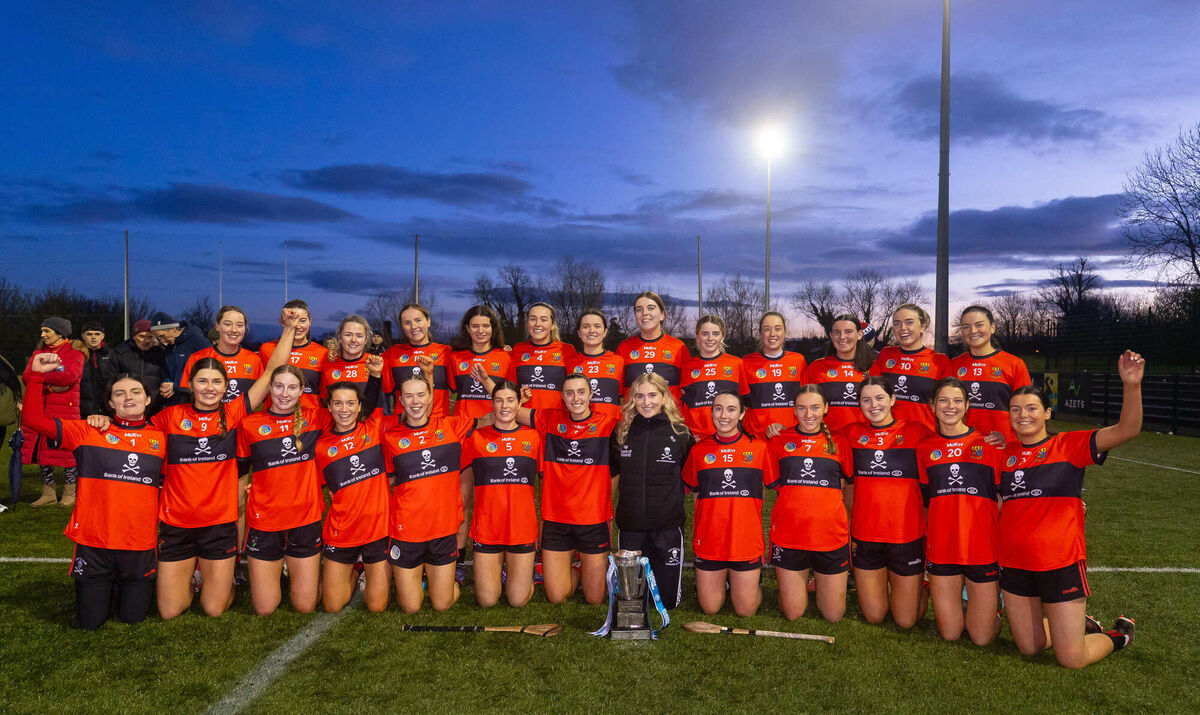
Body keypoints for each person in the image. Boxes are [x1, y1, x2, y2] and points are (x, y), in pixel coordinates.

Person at [147, 314, 299, 619]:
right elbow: (134, 434)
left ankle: (223, 580)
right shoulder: (169, 418)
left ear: (225, 386)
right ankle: (191, 577)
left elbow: (271, 372)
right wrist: (104, 420)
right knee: (169, 611)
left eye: (216, 382)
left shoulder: (233, 413)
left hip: (218, 521)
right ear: (189, 384)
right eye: (202, 381)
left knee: (214, 609)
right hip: (177, 523)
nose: (209, 387)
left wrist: (290, 329)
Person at [999, 350, 1144, 669]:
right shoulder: (1003, 455)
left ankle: (1118, 636)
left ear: (1048, 412)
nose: (1024, 414)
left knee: (1072, 659)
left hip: (1059, 561)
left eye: (1032, 408)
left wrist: (1131, 385)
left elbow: (1127, 429)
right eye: (1016, 409)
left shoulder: (1069, 445)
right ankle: (1077, 624)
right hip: (1014, 564)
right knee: (1030, 648)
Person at [23, 353, 166, 629]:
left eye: (136, 391)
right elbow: (32, 420)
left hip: (139, 545)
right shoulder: (88, 432)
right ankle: (104, 585)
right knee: (90, 622)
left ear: (148, 399)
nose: (128, 397)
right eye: (119, 393)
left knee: (133, 618)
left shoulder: (161, 438)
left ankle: (117, 586)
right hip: (94, 543)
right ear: (110, 403)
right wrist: (36, 376)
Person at [238, 363, 370, 616]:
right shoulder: (250, 424)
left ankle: (354, 569)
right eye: (278, 386)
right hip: (265, 519)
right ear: (269, 388)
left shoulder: (317, 417)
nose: (284, 393)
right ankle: (276, 570)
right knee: (265, 609)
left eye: (291, 387)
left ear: (302, 391)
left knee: (305, 606)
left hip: (305, 517)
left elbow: (353, 419)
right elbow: (241, 470)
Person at [484, 375, 617, 605]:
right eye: (570, 393)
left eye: (581, 392)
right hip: (557, 520)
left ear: (591, 395)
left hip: (593, 520)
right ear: (562, 397)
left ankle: (585, 566)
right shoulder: (550, 419)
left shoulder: (609, 422)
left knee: (595, 599)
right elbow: (509, 407)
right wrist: (488, 382)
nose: (576, 398)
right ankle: (577, 567)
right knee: (557, 597)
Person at [916, 377, 1002, 644]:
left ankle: (991, 609)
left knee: (981, 638)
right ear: (932, 405)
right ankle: (969, 604)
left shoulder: (990, 445)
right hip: (943, 547)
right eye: (943, 400)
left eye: (957, 401)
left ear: (967, 406)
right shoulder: (925, 448)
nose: (950, 406)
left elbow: (1008, 496)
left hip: (982, 547)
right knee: (951, 634)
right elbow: (926, 501)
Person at [383, 372, 478, 612]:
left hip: (443, 529)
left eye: (420, 395)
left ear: (430, 398)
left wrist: (512, 402)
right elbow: (388, 478)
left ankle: (444, 581)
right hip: (407, 530)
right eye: (409, 396)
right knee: (410, 607)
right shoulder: (390, 437)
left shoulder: (450, 426)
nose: (415, 401)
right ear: (401, 401)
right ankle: (422, 580)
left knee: (442, 604)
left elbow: (492, 418)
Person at [843, 376, 932, 629]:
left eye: (880, 398)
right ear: (858, 404)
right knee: (875, 615)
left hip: (906, 535)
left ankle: (924, 587)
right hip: (866, 535)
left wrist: (993, 440)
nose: (874, 405)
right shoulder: (850, 435)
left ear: (893, 400)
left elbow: (949, 446)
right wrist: (776, 432)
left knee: (905, 621)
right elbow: (813, 440)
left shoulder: (917, 432)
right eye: (866, 400)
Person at [682, 391, 775, 617]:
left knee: (746, 611)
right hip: (710, 539)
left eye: (732, 409)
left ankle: (749, 583)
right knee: (710, 608)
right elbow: (688, 488)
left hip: (745, 540)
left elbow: (779, 486)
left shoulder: (759, 448)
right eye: (718, 408)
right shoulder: (698, 450)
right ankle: (724, 582)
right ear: (711, 412)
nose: (724, 415)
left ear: (742, 414)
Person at [766, 386, 853, 621]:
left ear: (826, 408)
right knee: (793, 613)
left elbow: (849, 483)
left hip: (830, 536)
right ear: (794, 410)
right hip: (790, 535)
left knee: (834, 615)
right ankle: (795, 585)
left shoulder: (840, 442)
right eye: (801, 408)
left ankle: (816, 582)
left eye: (815, 407)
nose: (808, 414)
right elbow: (775, 485)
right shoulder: (779, 441)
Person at [609, 372, 693, 610]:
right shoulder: (621, 432)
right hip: (631, 526)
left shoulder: (681, 433)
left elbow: (691, 477)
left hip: (667, 526)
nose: (647, 402)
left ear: (664, 396)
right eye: (640, 396)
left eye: (653, 395)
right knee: (632, 600)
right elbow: (614, 474)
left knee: (665, 602)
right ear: (632, 399)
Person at [314, 363, 391, 614]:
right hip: (342, 530)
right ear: (329, 407)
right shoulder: (321, 447)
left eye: (350, 403)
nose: (344, 409)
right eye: (338, 403)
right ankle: (356, 569)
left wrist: (376, 376)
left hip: (377, 528)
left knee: (377, 606)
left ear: (359, 407)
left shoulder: (374, 429)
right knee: (333, 606)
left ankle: (364, 569)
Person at [460, 380, 542, 607]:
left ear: (519, 404)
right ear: (492, 404)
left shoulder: (534, 438)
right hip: (487, 528)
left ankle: (523, 579)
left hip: (521, 528)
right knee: (487, 601)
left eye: (510, 400)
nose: (504, 406)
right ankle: (507, 576)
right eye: (498, 400)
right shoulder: (475, 438)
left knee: (517, 601)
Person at [23, 317, 84, 508]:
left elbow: (69, 376)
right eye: (42, 331)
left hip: (65, 412)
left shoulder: (75, 354)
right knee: (43, 452)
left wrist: (40, 377)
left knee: (67, 453)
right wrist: (49, 384)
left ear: (60, 333)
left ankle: (69, 492)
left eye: (47, 331)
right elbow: (26, 377)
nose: (42, 335)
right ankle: (48, 493)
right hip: (42, 410)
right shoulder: (39, 352)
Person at [950, 305, 1032, 444]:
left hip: (1000, 447)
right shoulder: (953, 365)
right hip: (962, 446)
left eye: (979, 325)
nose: (973, 331)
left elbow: (1027, 411)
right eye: (966, 326)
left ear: (992, 328)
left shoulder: (1014, 364)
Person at [870, 304, 950, 432]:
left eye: (909, 322)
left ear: (923, 327)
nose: (902, 328)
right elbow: (870, 391)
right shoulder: (886, 355)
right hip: (887, 436)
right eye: (897, 323)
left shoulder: (940, 361)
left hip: (923, 436)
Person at [617, 292, 689, 408]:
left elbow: (689, 390)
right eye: (639, 309)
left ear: (662, 315)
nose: (645, 313)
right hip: (635, 422)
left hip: (670, 421)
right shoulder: (624, 348)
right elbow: (618, 393)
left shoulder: (678, 347)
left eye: (651, 308)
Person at [680, 314, 747, 439]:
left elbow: (744, 403)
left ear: (722, 337)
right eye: (705, 334)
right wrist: (688, 435)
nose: (710, 338)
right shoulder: (686, 367)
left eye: (716, 334)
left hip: (727, 436)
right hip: (696, 438)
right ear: (698, 337)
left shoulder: (736, 364)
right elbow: (683, 405)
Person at [743, 311, 807, 439]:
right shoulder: (746, 362)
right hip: (757, 438)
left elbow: (805, 401)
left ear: (784, 332)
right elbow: (741, 404)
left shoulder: (798, 361)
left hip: (791, 437)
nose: (772, 334)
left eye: (777, 329)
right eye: (767, 329)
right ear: (760, 333)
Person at [181, 306, 263, 405]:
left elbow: (261, 398)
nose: (234, 330)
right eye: (228, 324)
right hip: (210, 419)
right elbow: (186, 399)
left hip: (243, 420)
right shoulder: (198, 358)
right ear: (217, 326)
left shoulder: (254, 359)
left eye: (240, 325)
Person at [382, 304, 453, 418]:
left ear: (428, 322)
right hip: (404, 425)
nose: (413, 326)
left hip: (439, 425)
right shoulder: (392, 354)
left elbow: (459, 386)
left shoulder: (446, 352)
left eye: (418, 320)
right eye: (407, 323)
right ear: (402, 327)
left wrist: (443, 397)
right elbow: (378, 387)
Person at [804, 314, 873, 432]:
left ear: (860, 335)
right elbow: (803, 405)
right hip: (829, 441)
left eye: (848, 331)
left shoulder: (874, 368)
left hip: (864, 442)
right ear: (831, 335)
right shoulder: (817, 368)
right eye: (836, 332)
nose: (842, 337)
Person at [259, 299, 329, 410]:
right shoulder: (267, 349)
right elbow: (261, 389)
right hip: (275, 420)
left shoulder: (323, 353)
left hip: (310, 420)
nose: (297, 325)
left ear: (310, 321)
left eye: (303, 320)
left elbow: (326, 395)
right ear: (283, 321)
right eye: (292, 319)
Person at [507, 302, 575, 411]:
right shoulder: (518, 349)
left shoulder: (566, 350)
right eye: (533, 319)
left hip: (555, 421)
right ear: (527, 323)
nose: (537, 324)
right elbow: (510, 390)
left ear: (553, 325)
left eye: (543, 320)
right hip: (524, 419)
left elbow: (574, 389)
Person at [450, 305, 512, 420]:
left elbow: (511, 397)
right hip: (463, 427)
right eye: (475, 326)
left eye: (486, 326)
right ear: (467, 328)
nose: (481, 331)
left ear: (492, 328)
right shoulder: (455, 357)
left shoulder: (506, 357)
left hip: (495, 427)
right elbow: (446, 393)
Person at [567, 309, 624, 423]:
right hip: (581, 428)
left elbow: (623, 398)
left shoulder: (618, 361)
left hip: (611, 428)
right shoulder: (570, 363)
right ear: (579, 332)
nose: (591, 331)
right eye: (586, 326)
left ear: (605, 332)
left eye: (597, 326)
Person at [151, 311, 209, 406]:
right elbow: (166, 370)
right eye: (158, 338)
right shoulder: (169, 346)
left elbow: (207, 371)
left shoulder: (198, 342)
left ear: (173, 329)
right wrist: (167, 382)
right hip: (175, 402)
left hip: (195, 401)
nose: (162, 341)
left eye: (162, 336)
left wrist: (176, 386)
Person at [113, 319, 169, 417]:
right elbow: (110, 382)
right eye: (141, 336)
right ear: (134, 336)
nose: (146, 341)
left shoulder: (161, 354)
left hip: (156, 409)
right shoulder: (120, 353)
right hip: (128, 410)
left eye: (150, 337)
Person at [321, 315, 373, 400]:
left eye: (359, 336)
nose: (353, 340)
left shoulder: (375, 363)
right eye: (348, 335)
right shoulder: (328, 364)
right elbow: (325, 400)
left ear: (366, 340)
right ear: (340, 338)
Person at [78, 321, 118, 418]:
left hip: (109, 410)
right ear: (83, 336)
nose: (93, 337)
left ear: (103, 336)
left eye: (97, 334)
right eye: (89, 334)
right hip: (83, 411)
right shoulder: (77, 355)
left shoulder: (113, 355)